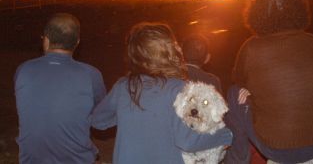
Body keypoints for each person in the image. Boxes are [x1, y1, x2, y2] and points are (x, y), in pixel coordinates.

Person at [225, 0, 313, 163]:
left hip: (282, 150)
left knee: (235, 93)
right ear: (299, 11)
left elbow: (239, 79)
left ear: (257, 15)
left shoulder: (252, 47)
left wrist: (249, 90)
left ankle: (236, 160)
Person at [91, 22, 232, 164]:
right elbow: (187, 141)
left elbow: (98, 120)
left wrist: (128, 114)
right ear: (169, 52)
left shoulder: (123, 86)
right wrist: (225, 135)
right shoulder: (179, 89)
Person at [14, 13, 106, 164]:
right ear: (77, 42)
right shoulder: (91, 74)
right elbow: (100, 115)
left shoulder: (23, 70)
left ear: (46, 40)